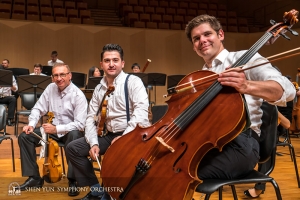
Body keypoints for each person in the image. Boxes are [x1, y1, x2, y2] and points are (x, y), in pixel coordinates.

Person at [185, 15, 295, 198]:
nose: (202, 41)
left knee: (176, 174)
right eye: (196, 38)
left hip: (241, 144)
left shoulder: (245, 59)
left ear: (220, 34)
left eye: (207, 34)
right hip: (209, 143)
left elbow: (287, 89)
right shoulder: (200, 77)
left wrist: (247, 86)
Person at [65, 44, 151, 199]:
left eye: (115, 60)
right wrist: (94, 143)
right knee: (73, 148)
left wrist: (124, 138)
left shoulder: (133, 82)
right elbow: (90, 118)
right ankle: (97, 191)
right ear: (101, 64)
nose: (111, 64)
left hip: (133, 135)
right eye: (107, 60)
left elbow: (141, 114)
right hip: (110, 135)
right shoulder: (99, 89)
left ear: (122, 63)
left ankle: (112, 193)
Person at [17, 63, 88, 197]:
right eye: (56, 75)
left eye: (62, 74)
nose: (59, 78)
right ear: (52, 77)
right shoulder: (50, 88)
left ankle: (73, 180)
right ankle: (34, 178)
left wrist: (57, 129)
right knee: (25, 136)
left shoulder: (78, 95)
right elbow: (38, 108)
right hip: (52, 130)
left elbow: (80, 124)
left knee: (74, 136)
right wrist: (31, 124)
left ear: (69, 76)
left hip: (69, 131)